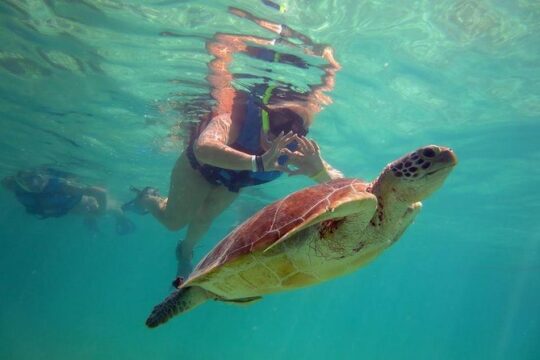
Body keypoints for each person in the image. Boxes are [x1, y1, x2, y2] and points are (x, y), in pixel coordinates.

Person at [125, 7, 343, 278]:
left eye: (297, 127)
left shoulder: (296, 146)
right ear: (264, 115)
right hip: (199, 168)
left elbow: (341, 182)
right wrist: (259, 161)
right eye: (279, 121)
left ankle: (186, 250)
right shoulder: (238, 118)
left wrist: (320, 171)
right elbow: (204, 149)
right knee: (175, 221)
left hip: (233, 180)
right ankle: (148, 199)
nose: (285, 133)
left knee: (205, 218)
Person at [2, 168, 135, 236]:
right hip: (73, 210)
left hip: (88, 205)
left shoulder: (63, 186)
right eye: (26, 181)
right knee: (84, 214)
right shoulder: (13, 185)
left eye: (36, 178)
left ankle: (122, 219)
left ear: (44, 176)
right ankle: (91, 219)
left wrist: (100, 212)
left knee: (111, 208)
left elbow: (101, 192)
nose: (34, 184)